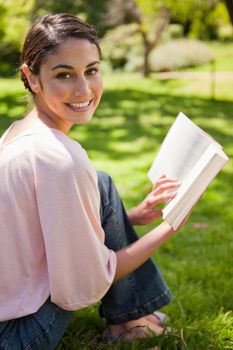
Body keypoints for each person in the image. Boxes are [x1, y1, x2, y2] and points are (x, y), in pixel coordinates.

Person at [0, 13, 190, 349]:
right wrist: (170, 226)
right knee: (98, 191)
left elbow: (37, 226)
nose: (84, 89)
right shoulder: (61, 158)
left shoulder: (17, 132)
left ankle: (130, 319)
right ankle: (131, 320)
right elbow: (91, 280)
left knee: (101, 183)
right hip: (17, 335)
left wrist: (127, 215)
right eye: (64, 75)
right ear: (31, 79)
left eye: (91, 70)